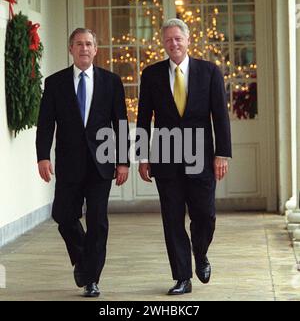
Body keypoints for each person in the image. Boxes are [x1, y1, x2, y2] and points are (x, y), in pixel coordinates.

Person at [136, 19, 232, 295]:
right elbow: (144, 118)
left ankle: (200, 253)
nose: (174, 44)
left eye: (178, 38)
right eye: (168, 40)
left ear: (188, 40)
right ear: (163, 43)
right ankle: (182, 277)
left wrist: (222, 153)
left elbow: (220, 117)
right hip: (165, 159)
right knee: (172, 219)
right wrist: (143, 156)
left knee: (205, 215)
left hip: (200, 157)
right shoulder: (151, 74)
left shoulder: (210, 72)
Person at [36, 28, 130, 297]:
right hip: (68, 163)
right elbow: (45, 124)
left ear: (96, 49)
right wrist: (43, 156)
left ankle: (92, 279)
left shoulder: (111, 82)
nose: (84, 48)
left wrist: (123, 162)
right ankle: (83, 260)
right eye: (79, 44)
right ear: (71, 49)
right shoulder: (54, 83)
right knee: (64, 216)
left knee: (98, 221)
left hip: (102, 163)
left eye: (89, 44)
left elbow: (120, 124)